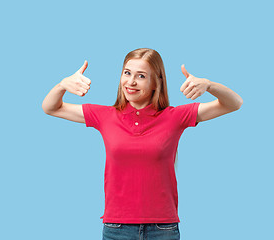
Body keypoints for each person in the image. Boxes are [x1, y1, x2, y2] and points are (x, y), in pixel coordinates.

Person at [42, 48, 243, 240]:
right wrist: (62, 85)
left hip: (163, 228)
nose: (131, 82)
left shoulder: (175, 116)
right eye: (127, 73)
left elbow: (234, 103)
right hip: (116, 227)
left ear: (156, 82)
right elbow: (50, 107)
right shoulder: (104, 115)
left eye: (141, 76)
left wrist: (209, 85)